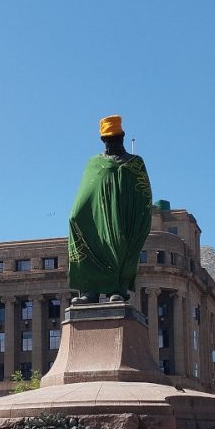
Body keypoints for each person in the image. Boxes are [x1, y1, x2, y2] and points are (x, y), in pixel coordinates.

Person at [67, 115, 153, 304]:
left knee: (119, 246)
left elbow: (144, 193)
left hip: (123, 218)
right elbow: (87, 190)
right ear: (102, 140)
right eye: (107, 139)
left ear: (121, 138)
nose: (111, 143)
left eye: (114, 138)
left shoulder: (134, 162)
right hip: (97, 220)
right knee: (85, 235)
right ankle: (91, 290)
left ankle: (118, 289)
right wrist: (77, 215)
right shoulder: (94, 163)